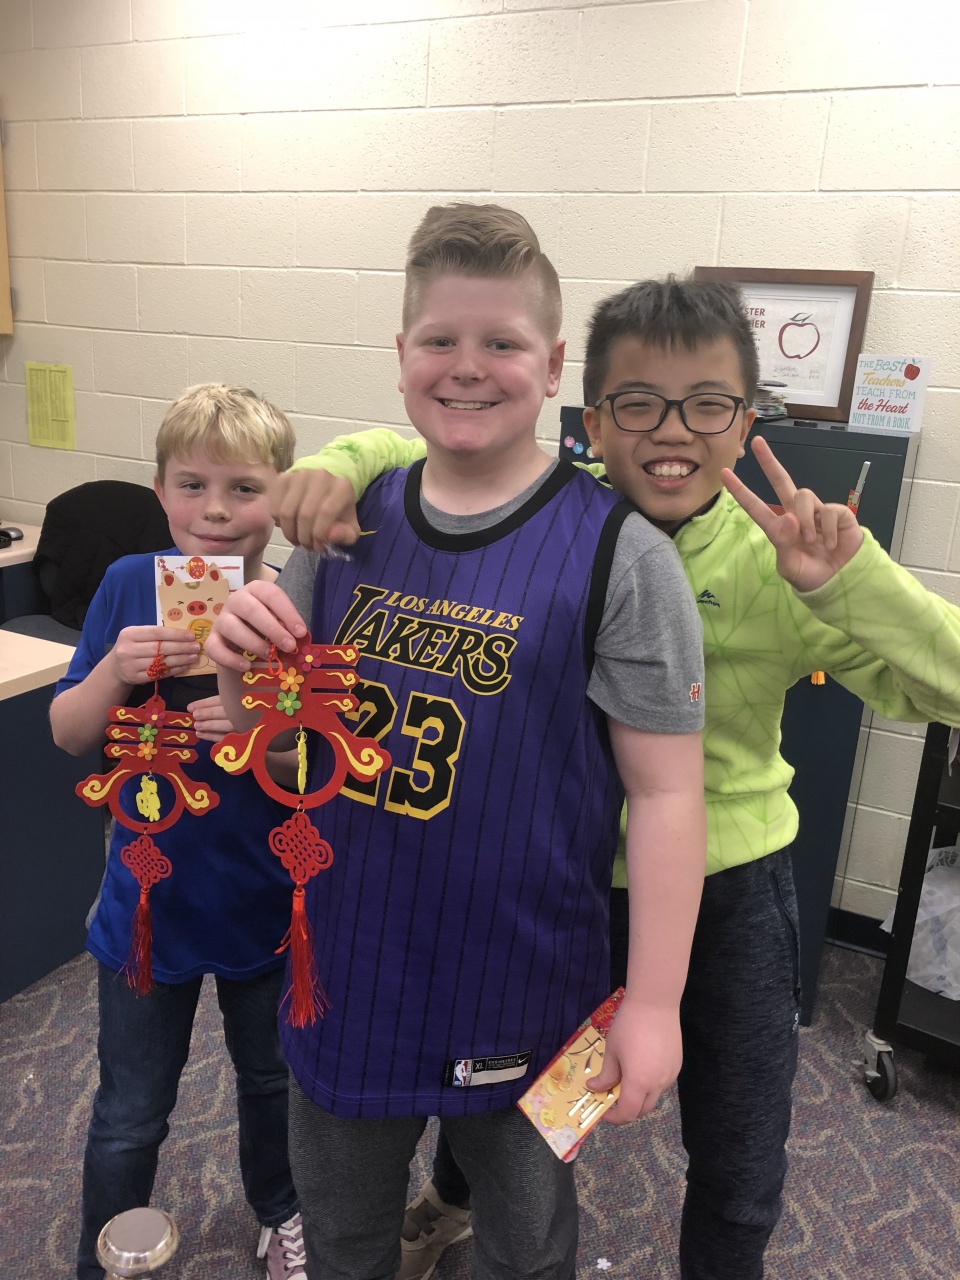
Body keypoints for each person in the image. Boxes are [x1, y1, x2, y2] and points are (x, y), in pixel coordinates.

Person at [271, 275, 960, 1280]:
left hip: (724, 889)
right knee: (509, 1098)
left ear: (747, 421)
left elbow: (946, 686)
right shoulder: (562, 519)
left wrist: (851, 582)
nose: (672, 432)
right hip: (568, 882)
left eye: (709, 405)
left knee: (735, 1143)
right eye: (639, 404)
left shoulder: (778, 559)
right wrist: (336, 460)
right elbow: (426, 447)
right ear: (592, 419)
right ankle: (453, 1205)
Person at [207, 205, 707, 1280]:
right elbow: (284, 755)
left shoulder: (621, 554)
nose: (468, 366)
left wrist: (657, 1003)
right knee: (343, 1237)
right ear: (401, 357)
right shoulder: (344, 528)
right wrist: (239, 679)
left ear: (554, 365)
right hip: (350, 968)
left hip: (529, 982)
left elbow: (669, 794)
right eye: (440, 339)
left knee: (526, 1245)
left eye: (502, 343)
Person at [51, 385, 307, 1280]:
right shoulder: (131, 583)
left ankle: (279, 1211)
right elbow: (70, 734)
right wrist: (115, 671)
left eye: (244, 488)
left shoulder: (290, 604)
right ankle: (106, 1254)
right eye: (192, 485)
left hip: (264, 897)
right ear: (160, 491)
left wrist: (255, 728)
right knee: (130, 1110)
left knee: (271, 1080)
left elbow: (308, 772)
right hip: (146, 899)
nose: (216, 511)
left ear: (280, 497)